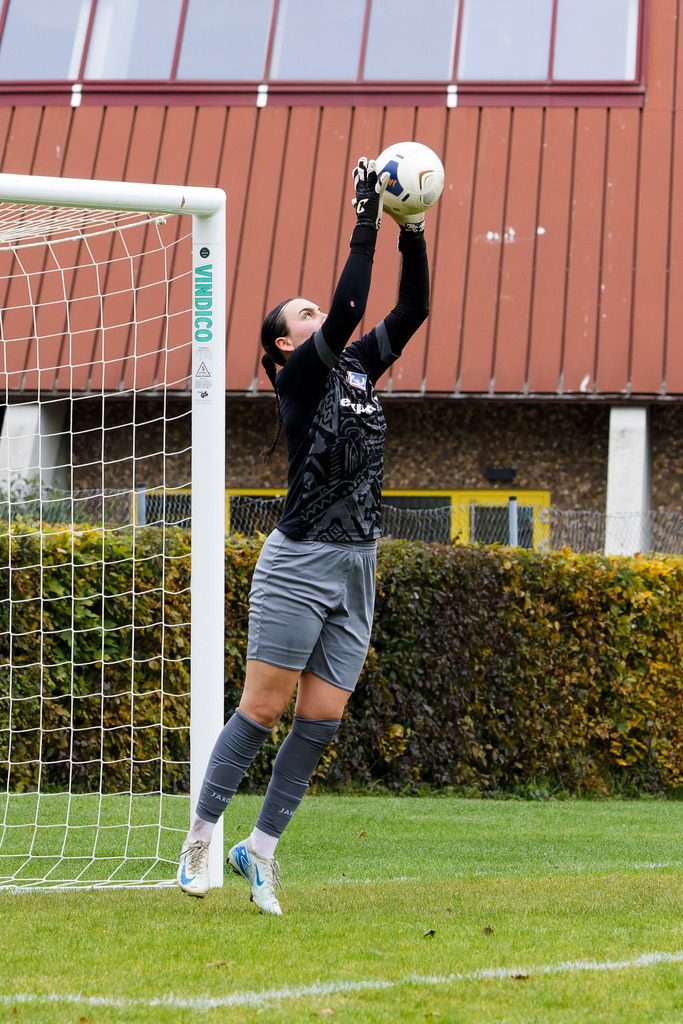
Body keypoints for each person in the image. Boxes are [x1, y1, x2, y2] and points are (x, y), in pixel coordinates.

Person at [177, 156, 430, 914]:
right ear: (285, 346)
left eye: (317, 311)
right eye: (306, 315)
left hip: (358, 563)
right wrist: (363, 219)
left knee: (321, 718)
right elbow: (354, 305)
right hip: (299, 560)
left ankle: (261, 850)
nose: (323, 317)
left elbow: (410, 309)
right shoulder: (299, 381)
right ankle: (199, 838)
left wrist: (408, 229)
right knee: (262, 708)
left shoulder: (354, 372)